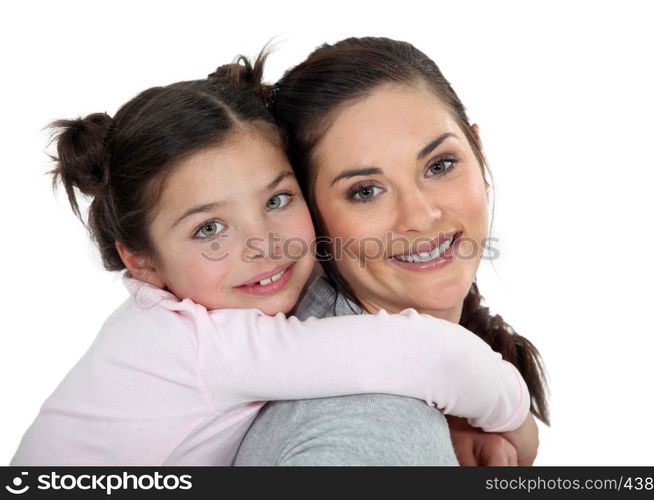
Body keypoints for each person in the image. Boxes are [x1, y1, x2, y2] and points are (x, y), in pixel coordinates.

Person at [11, 54, 533, 466]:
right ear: (141, 262)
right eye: (209, 229)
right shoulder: (202, 343)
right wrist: (515, 420)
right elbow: (429, 357)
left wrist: (454, 423)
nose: (263, 246)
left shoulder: (181, 325)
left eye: (277, 201)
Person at [235, 37, 549, 466]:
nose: (420, 215)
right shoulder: (376, 429)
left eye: (439, 165)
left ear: (478, 151)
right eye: (365, 191)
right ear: (309, 216)